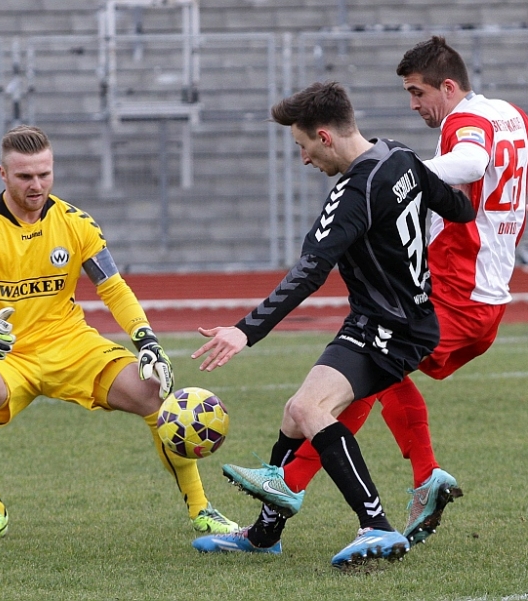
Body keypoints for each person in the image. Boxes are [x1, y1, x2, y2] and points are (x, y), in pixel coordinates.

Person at [240, 35, 528, 553]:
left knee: (357, 377)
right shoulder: (511, 114)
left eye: (418, 94)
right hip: (489, 301)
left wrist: (391, 178)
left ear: (448, 86)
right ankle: (414, 479)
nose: (414, 106)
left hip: (454, 293)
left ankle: (296, 486)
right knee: (370, 374)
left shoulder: (465, 122)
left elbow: (469, 164)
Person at [188, 81, 475, 570]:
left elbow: (309, 272)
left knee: (310, 408)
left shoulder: (353, 192)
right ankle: (263, 534)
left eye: (302, 146)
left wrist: (244, 330)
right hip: (385, 319)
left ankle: (376, 526)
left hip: (392, 327)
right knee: (293, 412)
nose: (303, 159)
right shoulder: (399, 156)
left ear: (324, 136)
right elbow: (459, 207)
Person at [0, 124, 238, 543]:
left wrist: (146, 340)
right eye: (25, 176)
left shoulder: (75, 223)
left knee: (155, 391)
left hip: (72, 347)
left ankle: (201, 510)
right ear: (3, 174)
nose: (36, 184)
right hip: (7, 352)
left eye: (44, 174)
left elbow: (113, 288)